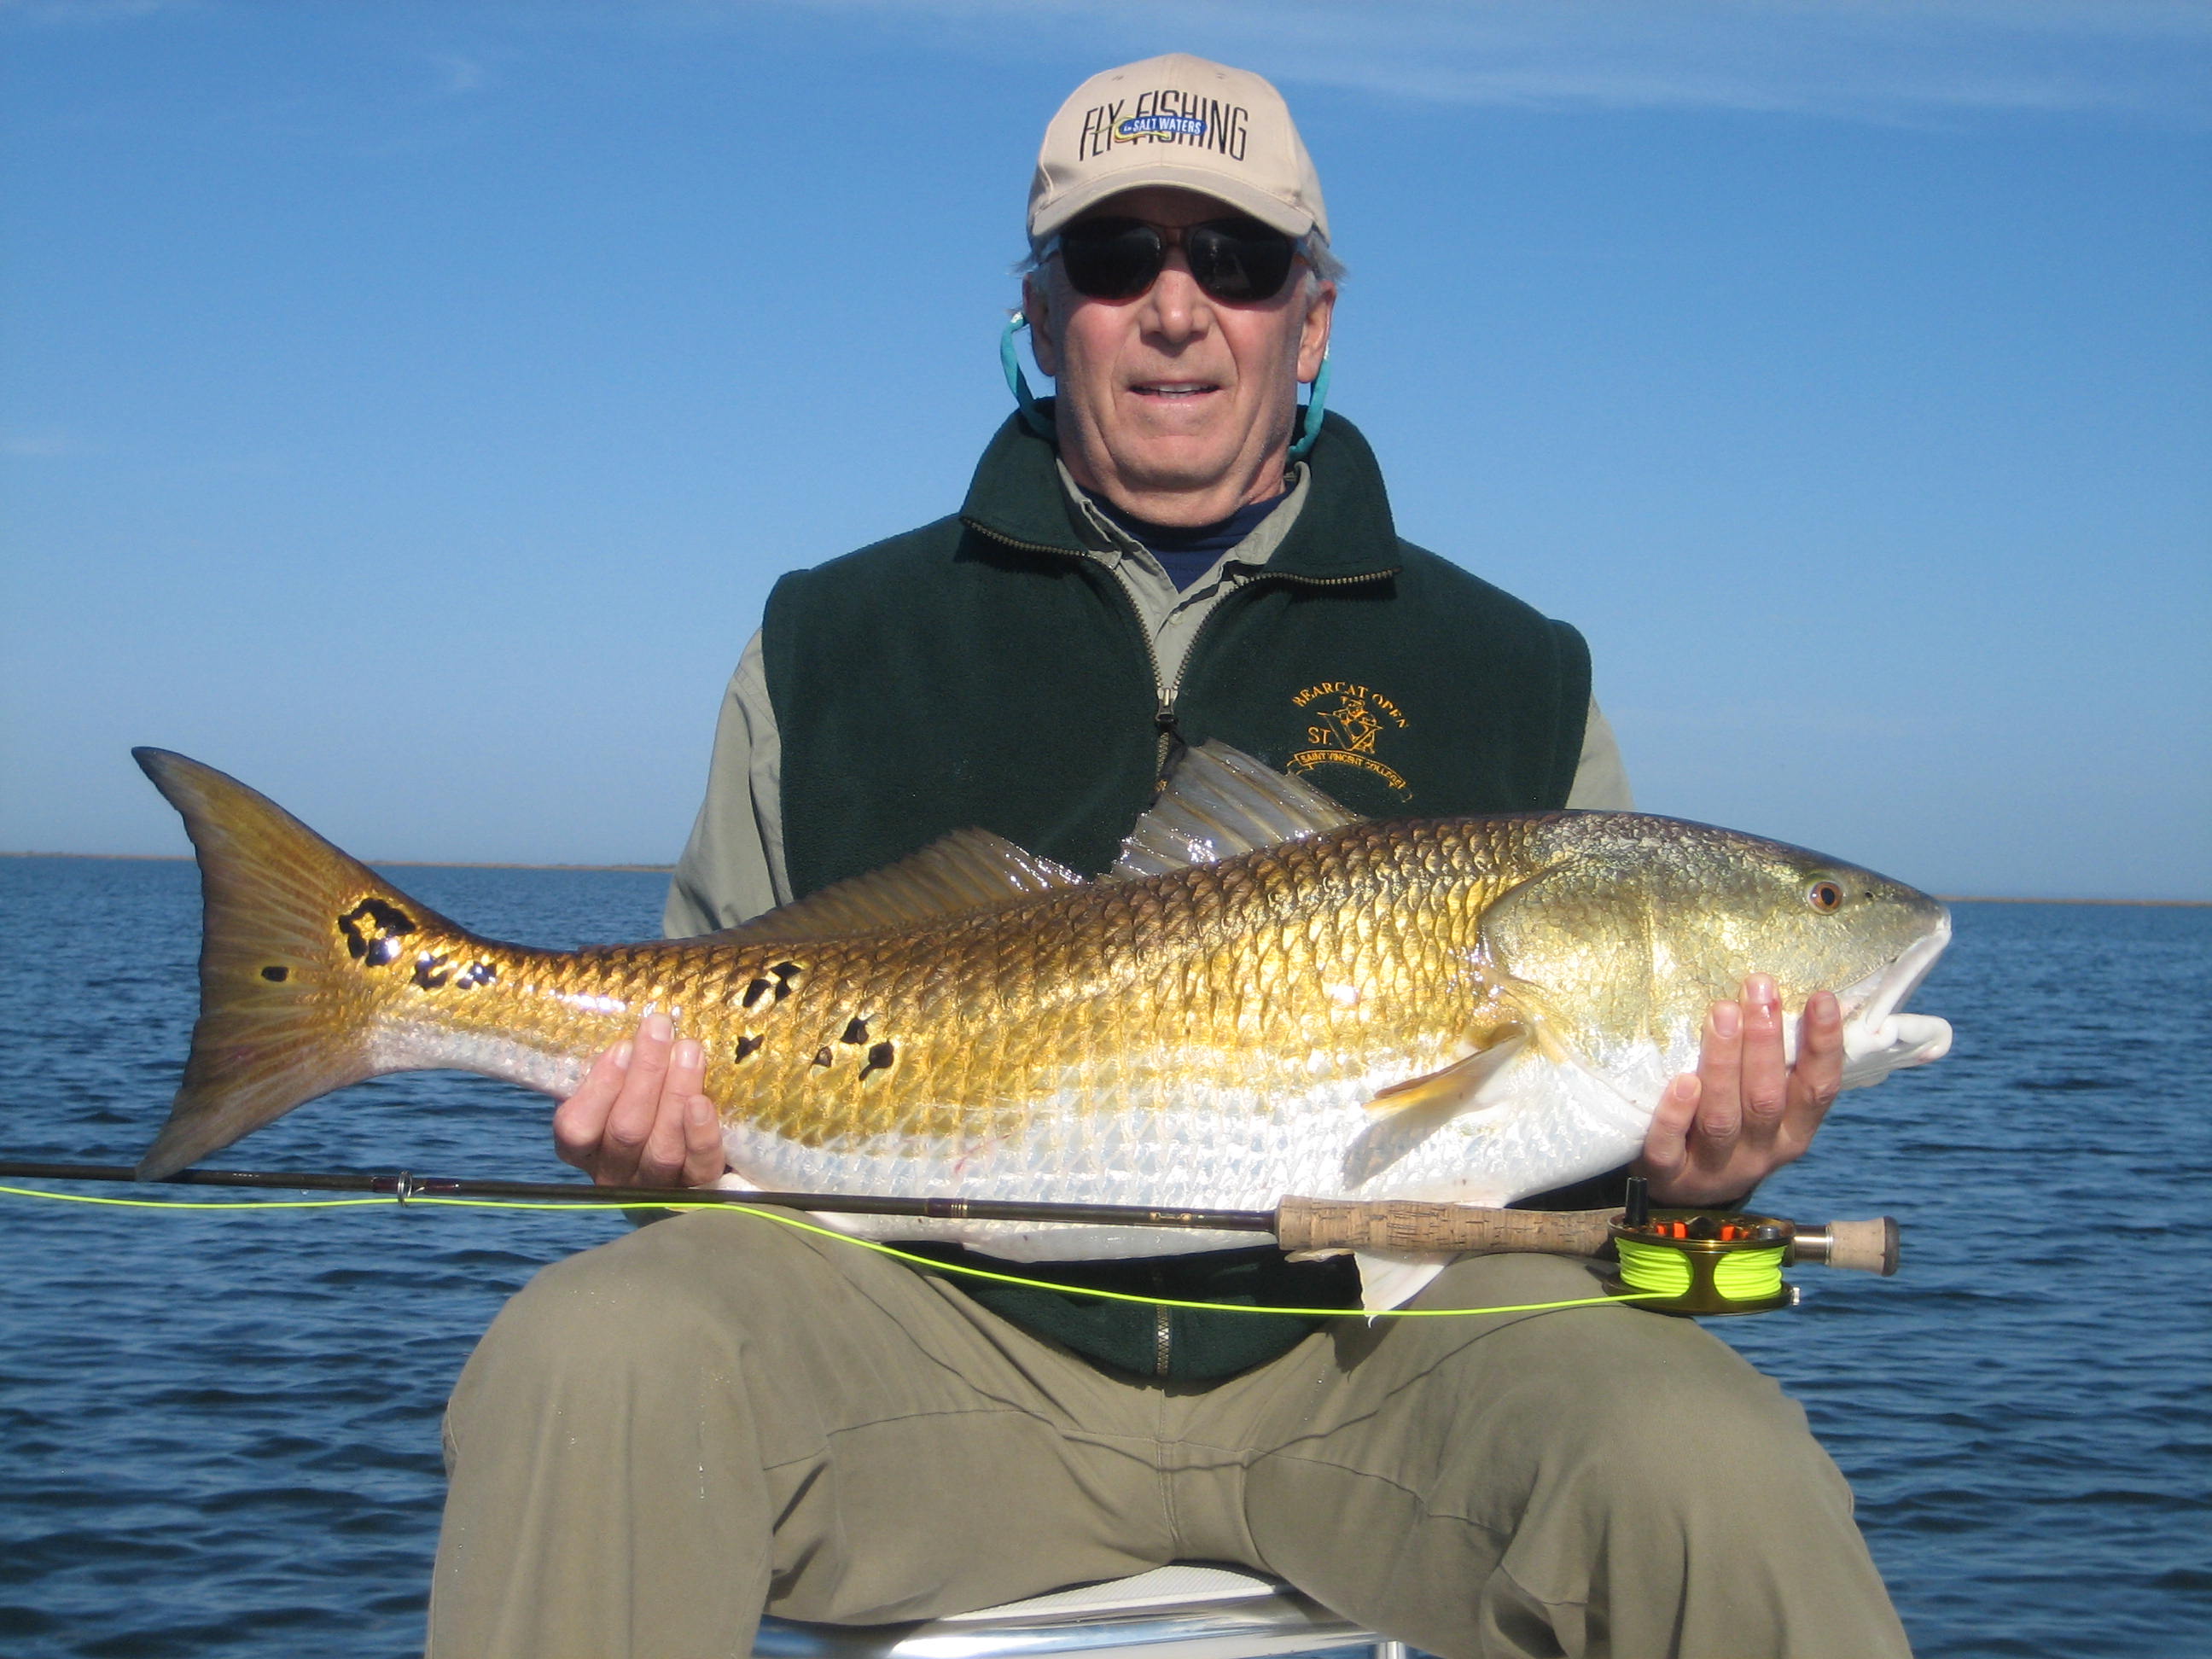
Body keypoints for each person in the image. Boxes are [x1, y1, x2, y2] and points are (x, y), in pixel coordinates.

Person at [428, 55, 1910, 1659]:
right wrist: (660, 1158)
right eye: (1118, 258)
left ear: (1315, 319)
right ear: (1044, 308)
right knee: (589, 1353)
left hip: (1385, 1381)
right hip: (934, 1353)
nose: (1178, 306)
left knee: (1717, 1465)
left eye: (1241, 261)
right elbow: (706, 1009)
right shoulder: (830, 639)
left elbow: (1587, 1175)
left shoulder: (1518, 667)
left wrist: (1690, 1176)